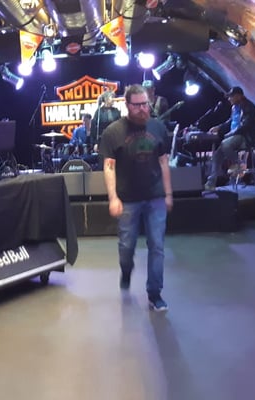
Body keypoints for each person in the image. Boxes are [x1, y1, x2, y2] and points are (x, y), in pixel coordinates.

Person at [98, 83, 174, 312]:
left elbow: (164, 162)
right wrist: (113, 197)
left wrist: (168, 193)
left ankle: (155, 293)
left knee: (157, 246)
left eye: (145, 104)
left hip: (155, 196)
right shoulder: (113, 132)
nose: (143, 109)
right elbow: (109, 166)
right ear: (127, 105)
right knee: (126, 247)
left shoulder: (158, 127)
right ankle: (126, 270)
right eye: (138, 105)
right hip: (127, 199)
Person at [205, 86, 255, 191]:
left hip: (246, 137)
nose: (229, 99)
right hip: (235, 137)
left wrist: (230, 134)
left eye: (231, 96)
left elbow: (245, 126)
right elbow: (231, 121)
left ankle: (239, 165)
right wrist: (219, 127)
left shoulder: (249, 107)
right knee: (217, 155)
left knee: (225, 144)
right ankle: (211, 183)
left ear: (239, 96)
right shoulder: (234, 108)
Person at [90, 88, 121, 153]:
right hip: (103, 141)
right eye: (111, 97)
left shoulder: (116, 111)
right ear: (106, 99)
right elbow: (94, 129)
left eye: (113, 97)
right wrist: (95, 143)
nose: (113, 99)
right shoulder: (99, 112)